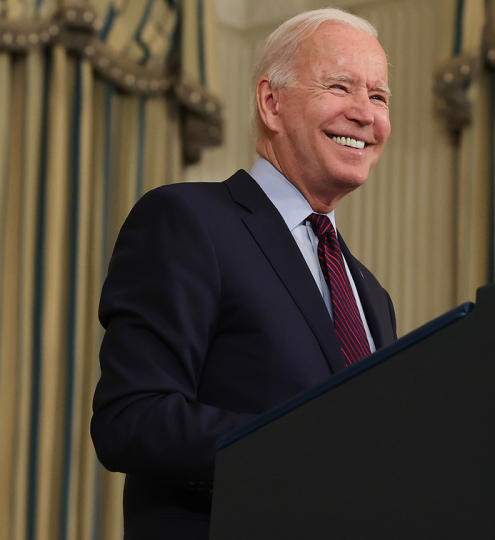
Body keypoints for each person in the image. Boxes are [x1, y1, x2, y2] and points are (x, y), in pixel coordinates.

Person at [90, 9, 397, 539]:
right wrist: (312, 451)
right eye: (340, 86)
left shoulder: (371, 292)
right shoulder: (190, 222)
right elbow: (132, 420)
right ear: (271, 103)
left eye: (378, 96)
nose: (364, 113)